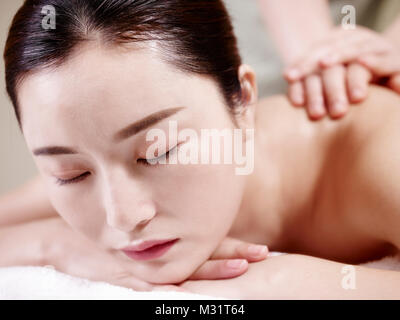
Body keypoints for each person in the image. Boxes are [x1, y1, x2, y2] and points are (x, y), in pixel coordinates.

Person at [2, 0, 400, 298]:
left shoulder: (378, 153)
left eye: (158, 152)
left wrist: (285, 283)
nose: (122, 216)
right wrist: (56, 245)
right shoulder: (103, 159)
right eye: (71, 173)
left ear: (243, 100)